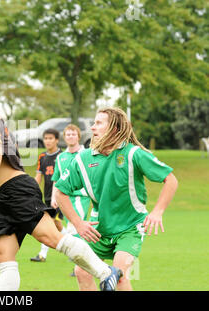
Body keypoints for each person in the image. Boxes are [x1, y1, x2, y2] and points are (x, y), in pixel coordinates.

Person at [0, 79, 122, 291]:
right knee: (4, 252)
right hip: (6, 197)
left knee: (52, 238)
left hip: (17, 190)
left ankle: (105, 272)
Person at [55, 107, 178, 290]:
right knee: (82, 272)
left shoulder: (133, 153)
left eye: (98, 123)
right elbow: (60, 192)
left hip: (130, 227)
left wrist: (157, 212)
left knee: (117, 275)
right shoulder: (83, 158)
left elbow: (170, 179)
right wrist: (78, 223)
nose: (93, 128)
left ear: (114, 129)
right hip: (100, 228)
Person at [50, 124, 92, 276]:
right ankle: (83, 264)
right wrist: (54, 197)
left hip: (81, 197)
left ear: (78, 136)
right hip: (65, 198)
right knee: (71, 231)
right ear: (64, 137)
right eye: (68, 134)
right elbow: (57, 178)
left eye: (73, 134)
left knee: (77, 229)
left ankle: (82, 266)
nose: (70, 137)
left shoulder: (86, 154)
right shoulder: (61, 157)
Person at [30, 129, 63, 263]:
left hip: (60, 197)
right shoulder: (42, 157)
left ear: (56, 140)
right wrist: (29, 189)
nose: (48, 141)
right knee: (57, 225)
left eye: (50, 138)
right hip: (47, 197)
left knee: (50, 223)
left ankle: (42, 254)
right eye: (46, 138)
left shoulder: (62, 156)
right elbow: (39, 177)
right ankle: (76, 247)